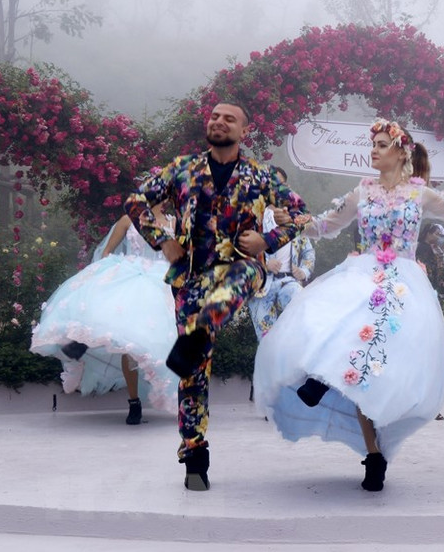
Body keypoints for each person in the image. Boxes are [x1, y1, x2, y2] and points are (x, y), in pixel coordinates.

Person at [253, 119, 444, 493]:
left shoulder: (421, 194)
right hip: (362, 273)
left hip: (402, 284)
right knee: (343, 331)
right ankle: (367, 446)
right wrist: (295, 223)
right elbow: (325, 225)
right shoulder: (361, 192)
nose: (375, 151)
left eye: (382, 145)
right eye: (374, 145)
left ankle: (363, 432)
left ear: (401, 151)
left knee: (374, 366)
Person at [124, 101, 307, 491]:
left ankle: (200, 330)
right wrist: (164, 240)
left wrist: (268, 239)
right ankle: (194, 456)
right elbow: (135, 202)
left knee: (227, 294)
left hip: (241, 268)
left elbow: (301, 213)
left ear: (243, 130)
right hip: (190, 276)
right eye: (215, 117)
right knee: (193, 370)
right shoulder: (182, 168)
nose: (219, 122)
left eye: (229, 118)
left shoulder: (259, 175)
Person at [30, 203, 179, 424]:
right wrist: (115, 271)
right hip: (133, 280)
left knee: (152, 345)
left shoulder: (173, 223)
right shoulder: (129, 220)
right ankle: (133, 402)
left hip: (160, 286)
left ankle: (176, 397)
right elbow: (106, 252)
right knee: (124, 339)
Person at [247, 166, 316, 338]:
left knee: (300, 328)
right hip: (261, 288)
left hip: (289, 282)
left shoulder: (294, 218)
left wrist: (304, 271)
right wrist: (263, 264)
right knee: (266, 341)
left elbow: (308, 252)